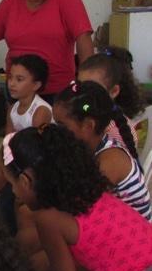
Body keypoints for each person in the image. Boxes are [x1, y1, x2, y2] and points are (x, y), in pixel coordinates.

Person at [4, 124, 152, 271]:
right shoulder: (94, 193)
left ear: (26, 181)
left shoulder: (49, 220)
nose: (14, 192)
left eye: (12, 185)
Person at [53, 80, 151, 220]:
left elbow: (79, 204)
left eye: (61, 126)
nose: (56, 132)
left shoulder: (110, 161)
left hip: (134, 234)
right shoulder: (91, 147)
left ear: (88, 126)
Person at [0, 54, 52, 195]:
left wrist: (11, 179)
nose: (11, 83)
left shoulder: (40, 111)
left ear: (36, 85)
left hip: (35, 171)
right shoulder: (12, 108)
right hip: (18, 162)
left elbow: (36, 155)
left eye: (19, 79)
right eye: (10, 77)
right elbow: (7, 142)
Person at [77, 48, 145, 146]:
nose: (84, 94)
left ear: (114, 91)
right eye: (81, 86)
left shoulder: (116, 134)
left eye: (93, 88)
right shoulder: (87, 113)